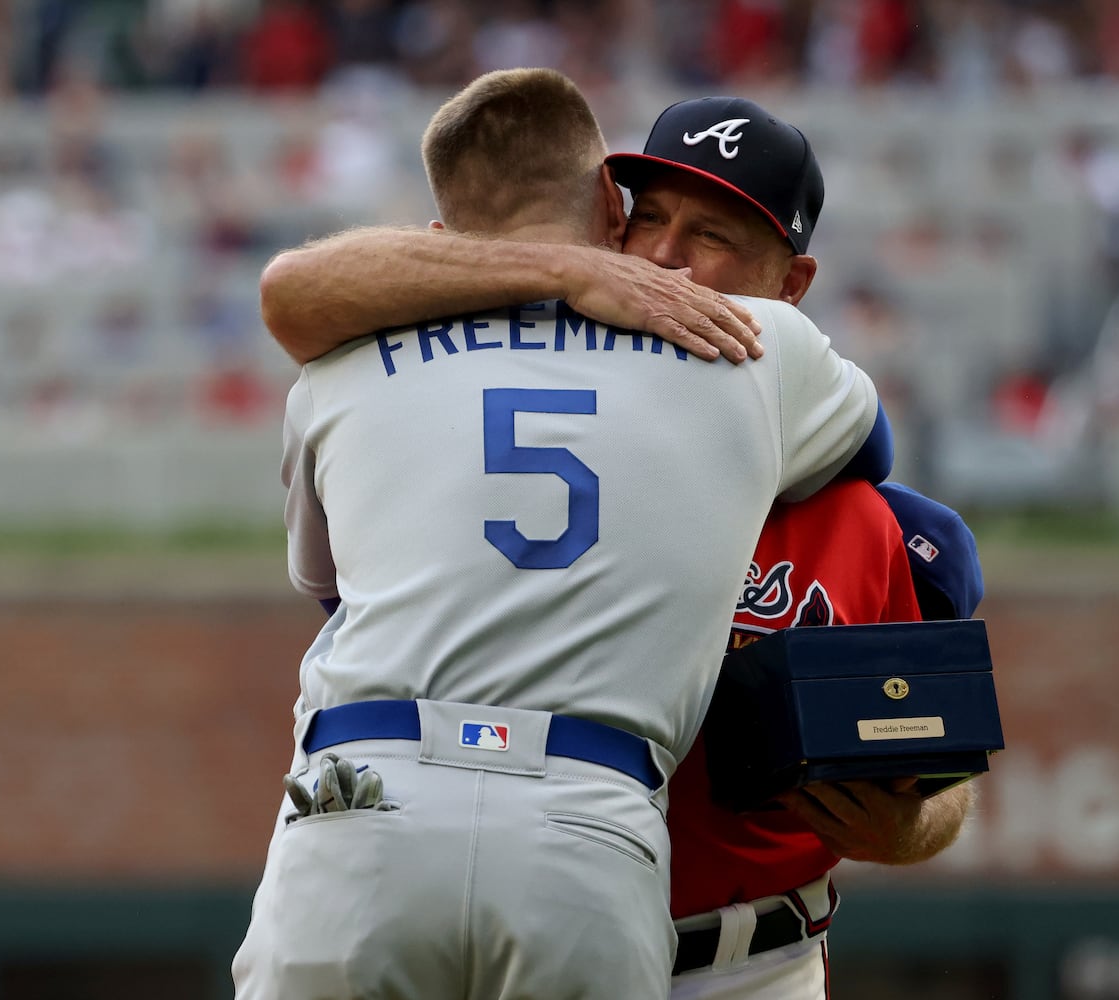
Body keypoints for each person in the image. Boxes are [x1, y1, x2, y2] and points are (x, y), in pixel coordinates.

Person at [258, 91, 980, 1000]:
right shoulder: (488, 414)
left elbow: (935, 752)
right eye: (651, 220)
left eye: (714, 235)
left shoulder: (874, 520)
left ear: (791, 288)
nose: (670, 259)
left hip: (748, 957)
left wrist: (914, 828)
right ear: (608, 221)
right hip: (583, 887)